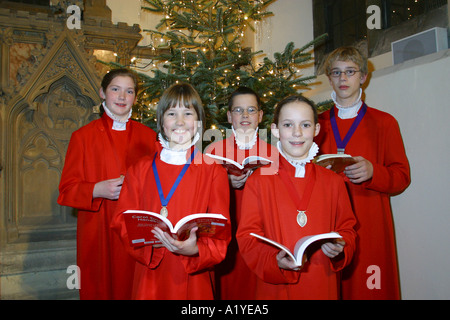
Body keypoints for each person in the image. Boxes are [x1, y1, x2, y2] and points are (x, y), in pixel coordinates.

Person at [111, 83, 231, 300]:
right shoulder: (139, 169)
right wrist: (147, 239)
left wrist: (196, 249)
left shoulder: (214, 171)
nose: (180, 122)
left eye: (188, 113)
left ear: (199, 122)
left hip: (194, 276)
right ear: (161, 122)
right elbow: (121, 219)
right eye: (171, 113)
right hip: (151, 271)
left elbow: (220, 230)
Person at [236, 95, 357, 299]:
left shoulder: (333, 181)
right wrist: (274, 260)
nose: (297, 133)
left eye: (306, 125)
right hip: (276, 287)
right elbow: (247, 238)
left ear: (316, 130)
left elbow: (348, 229)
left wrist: (340, 247)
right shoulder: (259, 180)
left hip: (321, 281)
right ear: (275, 130)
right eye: (288, 125)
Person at [315, 46, 411, 299]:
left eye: (350, 71)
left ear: (363, 77)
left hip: (368, 221)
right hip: (327, 220)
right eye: (336, 72)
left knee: (369, 290)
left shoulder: (384, 122)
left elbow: (401, 177)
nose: (343, 78)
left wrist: (373, 172)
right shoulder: (316, 123)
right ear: (329, 78)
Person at [57, 68, 157, 299]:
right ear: (102, 93)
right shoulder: (82, 137)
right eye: (115, 89)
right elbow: (66, 191)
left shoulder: (149, 136)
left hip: (136, 227)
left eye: (129, 91)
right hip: (97, 227)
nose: (122, 97)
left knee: (134, 287)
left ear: (135, 97)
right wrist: (96, 189)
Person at [205, 86, 277, 299]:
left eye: (251, 110)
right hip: (227, 230)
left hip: (261, 233)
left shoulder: (274, 152)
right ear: (229, 116)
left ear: (260, 115)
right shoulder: (213, 151)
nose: (245, 115)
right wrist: (224, 181)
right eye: (238, 110)